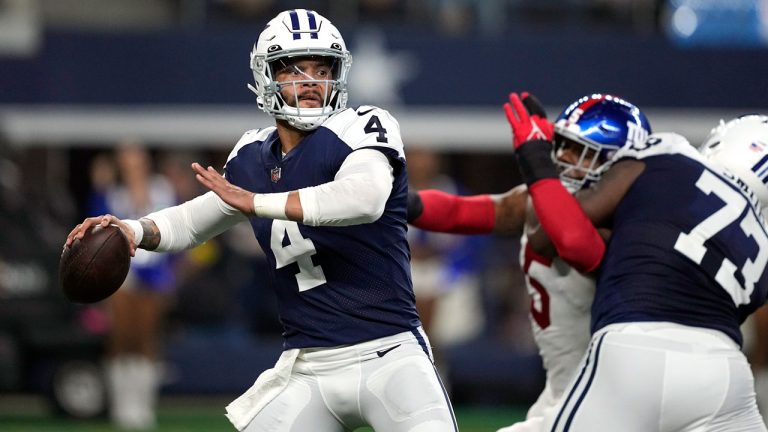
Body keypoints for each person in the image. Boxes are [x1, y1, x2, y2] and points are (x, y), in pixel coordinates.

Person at [65, 9, 457, 432]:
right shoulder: (252, 156)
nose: (311, 81)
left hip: (391, 355)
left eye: (322, 68)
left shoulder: (361, 128)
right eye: (296, 69)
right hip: (308, 366)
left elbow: (365, 198)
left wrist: (258, 202)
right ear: (266, 76)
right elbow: (193, 221)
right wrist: (133, 230)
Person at [508, 92, 768, 430]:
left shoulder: (670, 156)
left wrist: (538, 160)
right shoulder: (762, 243)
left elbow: (561, 232)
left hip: (635, 346)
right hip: (724, 372)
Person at [407, 93, 651, 431]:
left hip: (607, 387)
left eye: (580, 150)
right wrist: (397, 201)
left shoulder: (630, 218)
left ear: (616, 162)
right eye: (562, 144)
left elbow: (575, 242)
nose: (563, 157)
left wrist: (539, 169)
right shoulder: (542, 200)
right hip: (565, 385)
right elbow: (462, 211)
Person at [92, 142, 178, 430]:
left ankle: (142, 406)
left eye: (136, 157)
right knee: (120, 338)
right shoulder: (112, 193)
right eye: (125, 158)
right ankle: (121, 406)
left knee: (146, 340)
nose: (131, 163)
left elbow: (170, 225)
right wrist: (100, 189)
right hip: (121, 272)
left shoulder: (160, 188)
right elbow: (97, 229)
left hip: (153, 271)